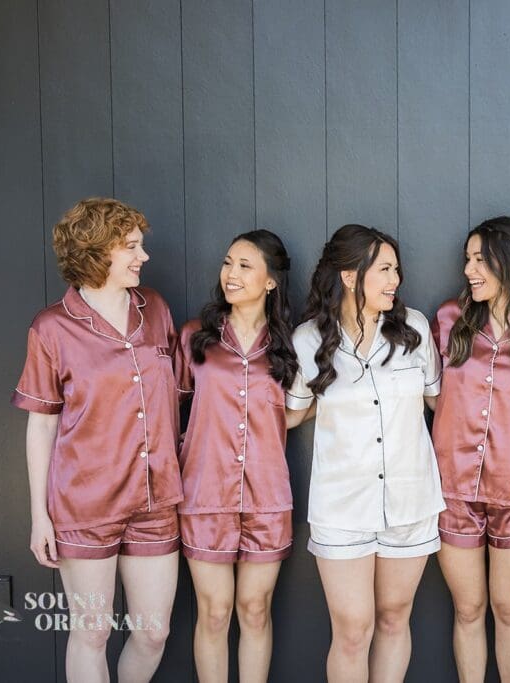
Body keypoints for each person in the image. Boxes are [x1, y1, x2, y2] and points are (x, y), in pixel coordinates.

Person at [12, 198, 182, 682]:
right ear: (95, 251)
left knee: (153, 633)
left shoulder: (156, 309)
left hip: (155, 499)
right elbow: (42, 424)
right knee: (92, 633)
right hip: (84, 506)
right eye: (130, 247)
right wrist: (40, 516)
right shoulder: (51, 327)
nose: (143, 256)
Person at [285, 224, 444, 682]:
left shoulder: (414, 328)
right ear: (350, 275)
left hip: (410, 500)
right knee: (353, 632)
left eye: (396, 270)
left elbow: (440, 402)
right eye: (385, 269)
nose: (395, 280)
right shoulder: (308, 339)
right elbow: (292, 414)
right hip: (342, 506)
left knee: (394, 618)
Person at [430, 216, 510, 682]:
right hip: (454, 488)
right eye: (467, 259)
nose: (469, 269)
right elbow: (434, 393)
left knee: (509, 608)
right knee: (468, 609)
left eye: (480, 259)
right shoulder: (450, 318)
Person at [176, 230, 303, 683]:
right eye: (228, 262)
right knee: (214, 612)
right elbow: (171, 406)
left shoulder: (291, 345)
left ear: (270, 281)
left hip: (268, 498)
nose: (231, 273)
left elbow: (298, 409)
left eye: (245, 266)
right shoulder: (195, 337)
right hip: (204, 495)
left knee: (255, 609)